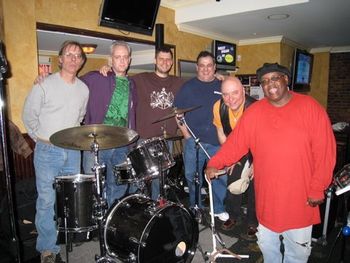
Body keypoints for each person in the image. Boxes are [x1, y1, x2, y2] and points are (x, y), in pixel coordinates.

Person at [205, 62, 336, 263]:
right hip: (267, 200)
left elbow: (325, 152)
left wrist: (318, 187)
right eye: (265, 81)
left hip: (299, 200)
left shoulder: (311, 108)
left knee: (297, 254)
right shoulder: (255, 112)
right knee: (269, 250)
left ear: (286, 80)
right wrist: (216, 162)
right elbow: (236, 143)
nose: (270, 84)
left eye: (275, 78)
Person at [22, 41, 89, 263]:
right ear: (60, 59)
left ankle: (68, 237)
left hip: (72, 151)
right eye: (69, 54)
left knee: (70, 199)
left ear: (81, 61)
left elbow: (79, 118)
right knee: (47, 201)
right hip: (47, 152)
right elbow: (28, 116)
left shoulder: (83, 89)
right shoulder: (43, 85)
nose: (73, 58)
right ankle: (48, 248)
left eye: (77, 55)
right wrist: (40, 139)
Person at [100, 46, 183, 200]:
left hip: (166, 140)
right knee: (137, 180)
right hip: (142, 139)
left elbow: (198, 82)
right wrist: (108, 70)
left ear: (171, 62)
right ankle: (137, 207)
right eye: (161, 59)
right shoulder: (140, 79)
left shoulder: (178, 82)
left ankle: (157, 208)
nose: (165, 62)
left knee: (160, 179)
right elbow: (120, 77)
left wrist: (219, 76)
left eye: (168, 59)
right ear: (155, 61)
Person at [174, 51, 234, 229]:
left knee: (218, 177)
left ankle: (218, 208)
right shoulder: (187, 87)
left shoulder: (223, 84)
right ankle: (195, 205)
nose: (206, 69)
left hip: (218, 142)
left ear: (214, 67)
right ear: (197, 67)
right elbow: (178, 113)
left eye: (209, 65)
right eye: (202, 65)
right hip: (194, 142)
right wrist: (186, 136)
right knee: (192, 177)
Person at [81, 41, 137, 207]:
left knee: (120, 183)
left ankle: (110, 217)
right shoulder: (96, 77)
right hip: (97, 143)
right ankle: (96, 222)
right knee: (94, 185)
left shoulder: (132, 84)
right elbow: (70, 82)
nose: (121, 60)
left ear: (130, 60)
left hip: (122, 143)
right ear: (110, 59)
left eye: (125, 57)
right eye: (117, 57)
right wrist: (45, 78)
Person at [212, 76, 258, 236]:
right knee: (233, 181)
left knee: (255, 185)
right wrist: (229, 157)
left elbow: (262, 140)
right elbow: (221, 132)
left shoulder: (256, 108)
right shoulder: (219, 107)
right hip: (237, 148)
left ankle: (253, 221)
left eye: (234, 93)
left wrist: (256, 164)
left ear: (243, 91)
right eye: (225, 94)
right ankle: (233, 216)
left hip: (257, 150)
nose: (230, 99)